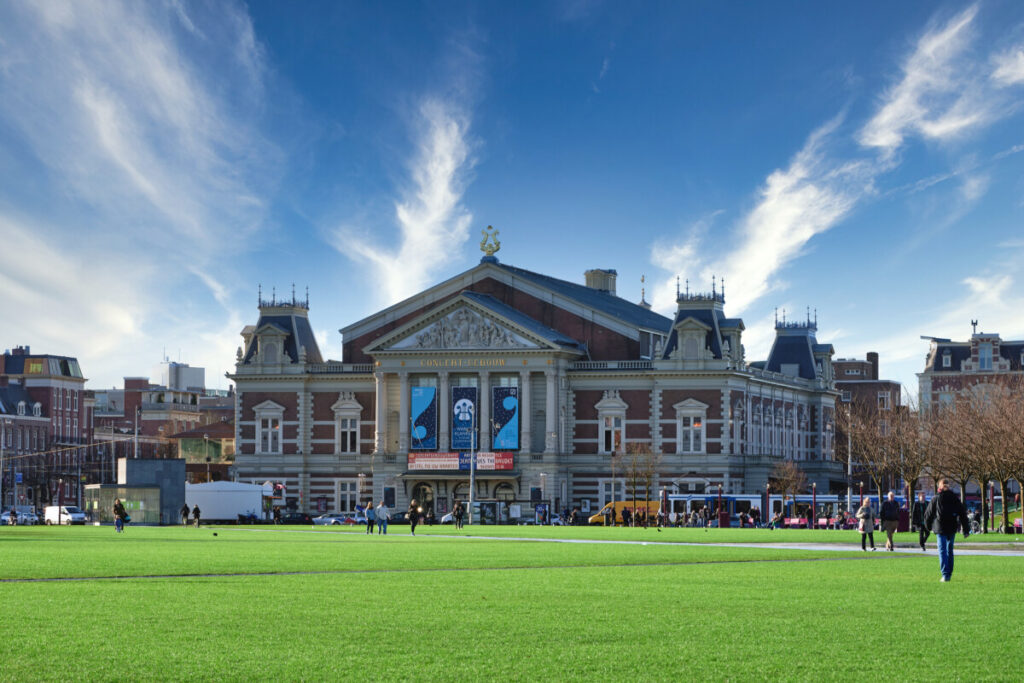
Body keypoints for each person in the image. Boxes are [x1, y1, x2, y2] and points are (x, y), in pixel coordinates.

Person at [924, 479, 970, 582]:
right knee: (949, 550)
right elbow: (962, 514)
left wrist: (928, 527)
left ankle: (945, 574)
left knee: (942, 550)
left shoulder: (936, 498)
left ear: (939, 487)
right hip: (952, 527)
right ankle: (949, 573)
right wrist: (966, 530)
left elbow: (928, 514)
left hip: (940, 527)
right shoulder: (954, 498)